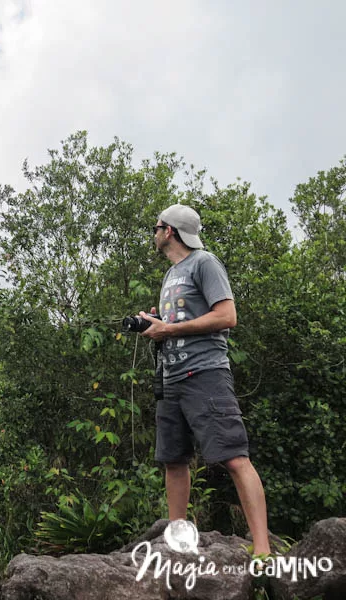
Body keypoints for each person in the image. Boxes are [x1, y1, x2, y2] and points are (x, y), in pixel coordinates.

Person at [139, 203, 271, 556]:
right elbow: (178, 321)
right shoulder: (171, 275)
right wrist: (157, 323)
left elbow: (227, 315)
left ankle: (262, 549)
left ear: (169, 231)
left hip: (206, 374)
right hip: (171, 377)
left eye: (156, 227)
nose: (153, 233)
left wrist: (172, 328)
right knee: (174, 459)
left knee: (234, 457)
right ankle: (176, 546)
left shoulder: (205, 262)